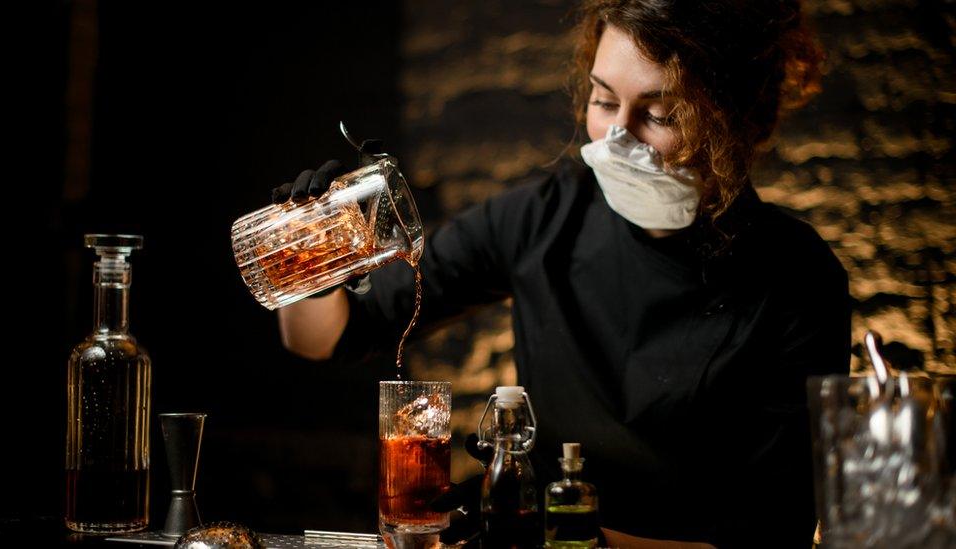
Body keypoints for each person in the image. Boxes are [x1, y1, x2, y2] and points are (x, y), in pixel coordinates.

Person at [272, 1, 851, 547]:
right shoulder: (544, 217)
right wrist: (308, 255)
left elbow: (778, 535)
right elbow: (324, 336)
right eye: (603, 101)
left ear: (736, 120)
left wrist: (580, 540)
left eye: (661, 114)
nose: (618, 136)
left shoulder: (797, 279)